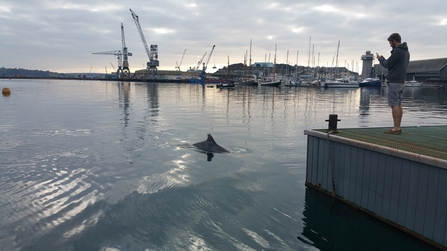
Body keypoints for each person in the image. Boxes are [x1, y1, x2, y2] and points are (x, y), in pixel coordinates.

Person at [377, 33, 410, 135]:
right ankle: (398, 126)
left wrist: (381, 59)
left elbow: (388, 64)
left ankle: (395, 128)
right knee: (399, 104)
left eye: (390, 42)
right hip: (401, 81)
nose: (390, 45)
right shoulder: (406, 51)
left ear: (394, 41)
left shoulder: (397, 51)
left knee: (394, 104)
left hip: (394, 81)